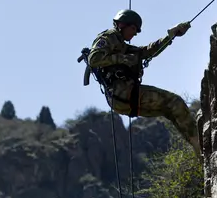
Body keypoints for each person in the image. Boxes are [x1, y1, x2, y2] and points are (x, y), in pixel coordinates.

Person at [84, 9, 201, 157]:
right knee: (175, 102)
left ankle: (199, 150)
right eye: (133, 28)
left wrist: (170, 36)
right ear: (122, 24)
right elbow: (93, 59)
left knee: (170, 111)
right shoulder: (109, 37)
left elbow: (146, 52)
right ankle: (201, 145)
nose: (135, 33)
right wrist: (123, 59)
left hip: (122, 100)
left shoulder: (122, 45)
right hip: (123, 92)